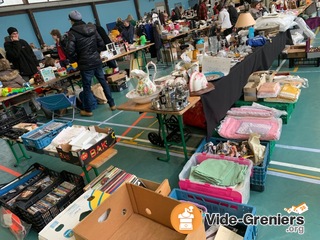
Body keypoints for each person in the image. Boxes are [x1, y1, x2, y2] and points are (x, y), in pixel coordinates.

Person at [65, 10, 116, 116]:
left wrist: (78, 59)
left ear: (71, 20)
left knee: (87, 87)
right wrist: (95, 53)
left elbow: (69, 51)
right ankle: (112, 104)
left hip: (85, 64)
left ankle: (88, 110)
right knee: (103, 81)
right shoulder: (92, 28)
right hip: (96, 61)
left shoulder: (72, 33)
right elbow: (101, 43)